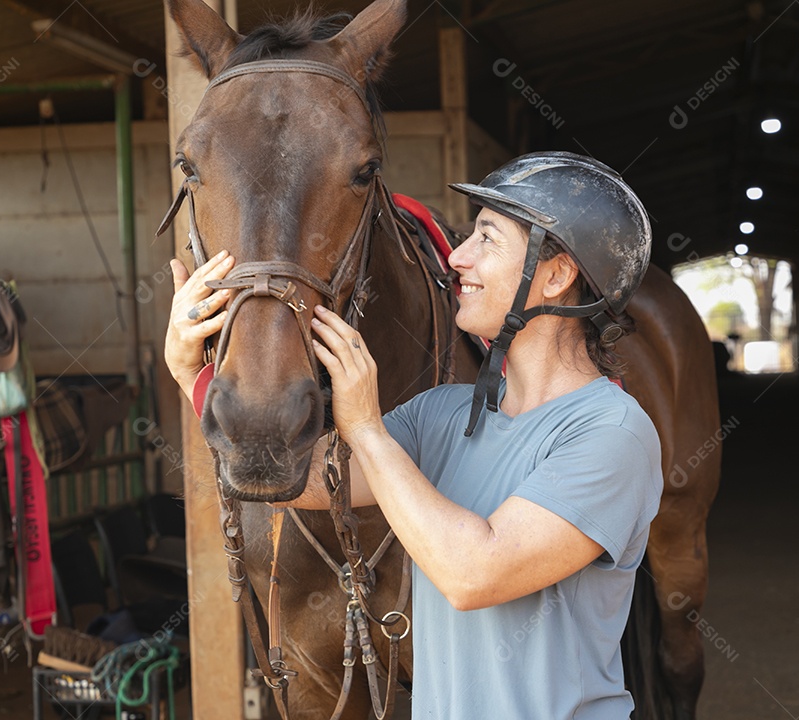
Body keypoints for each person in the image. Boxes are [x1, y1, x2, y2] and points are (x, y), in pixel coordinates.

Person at [165, 151, 663, 719]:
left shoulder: (612, 434)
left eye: (488, 239)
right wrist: (193, 373)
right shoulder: (442, 414)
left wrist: (366, 428)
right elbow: (304, 483)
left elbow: (472, 574)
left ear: (556, 274)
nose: (457, 257)